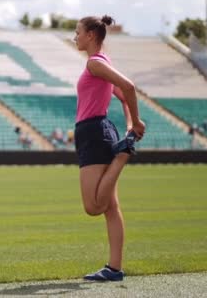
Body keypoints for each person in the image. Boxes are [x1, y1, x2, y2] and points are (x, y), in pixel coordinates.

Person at [73, 15, 146, 282]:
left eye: (78, 31)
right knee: (111, 208)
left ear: (91, 34)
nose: (75, 36)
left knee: (93, 207)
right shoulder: (101, 63)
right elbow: (122, 95)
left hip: (93, 131)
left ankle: (123, 155)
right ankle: (114, 269)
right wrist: (129, 125)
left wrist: (135, 123)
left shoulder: (94, 63)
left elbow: (128, 87)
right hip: (98, 131)